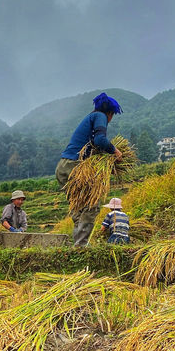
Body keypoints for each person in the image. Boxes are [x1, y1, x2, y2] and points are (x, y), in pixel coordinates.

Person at [55, 92, 123, 247]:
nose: (110, 119)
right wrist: (115, 151)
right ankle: (81, 245)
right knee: (92, 203)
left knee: (78, 207)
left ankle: (78, 245)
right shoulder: (100, 116)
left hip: (63, 167)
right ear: (110, 113)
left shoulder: (89, 118)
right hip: (74, 166)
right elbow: (100, 140)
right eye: (112, 116)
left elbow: (94, 148)